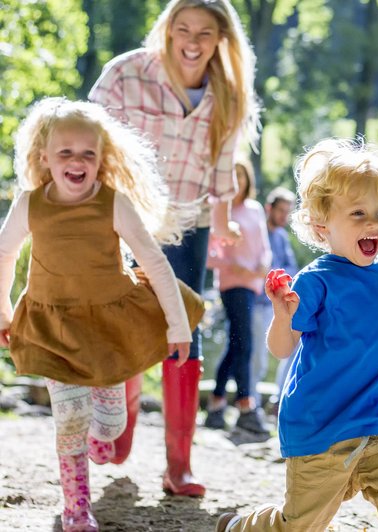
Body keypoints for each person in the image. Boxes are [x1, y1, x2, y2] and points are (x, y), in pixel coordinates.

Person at [216, 138, 378, 532]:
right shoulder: (315, 281)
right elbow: (281, 349)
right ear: (322, 226)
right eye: (358, 213)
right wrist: (283, 316)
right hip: (322, 427)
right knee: (300, 525)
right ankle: (243, 527)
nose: (373, 223)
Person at [88, 0, 260, 497]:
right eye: (182, 28)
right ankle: (119, 429)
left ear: (220, 39)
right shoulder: (126, 74)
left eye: (205, 32)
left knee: (183, 325)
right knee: (126, 322)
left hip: (189, 222)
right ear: (166, 29)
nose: (192, 41)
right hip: (124, 218)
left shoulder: (228, 91)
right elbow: (86, 137)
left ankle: (178, 466)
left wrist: (224, 220)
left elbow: (223, 166)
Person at [0, 98, 193, 532]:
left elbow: (155, 262)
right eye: (65, 152)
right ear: (44, 158)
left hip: (106, 329)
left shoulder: (113, 203)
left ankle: (103, 430)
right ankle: (76, 508)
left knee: (107, 429)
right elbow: (3, 254)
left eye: (87, 153)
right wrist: (3, 312)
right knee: (68, 417)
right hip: (52, 327)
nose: (76, 161)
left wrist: (178, 327)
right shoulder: (30, 203)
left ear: (101, 159)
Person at [205, 159, 271, 433]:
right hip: (232, 285)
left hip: (253, 283)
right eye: (234, 176)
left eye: (242, 176)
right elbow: (208, 256)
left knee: (237, 344)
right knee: (244, 342)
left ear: (248, 180)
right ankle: (246, 405)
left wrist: (264, 267)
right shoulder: (221, 211)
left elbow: (264, 247)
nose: (238, 181)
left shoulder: (255, 209)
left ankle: (217, 403)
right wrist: (230, 266)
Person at [249, 186, 298, 407]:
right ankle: (252, 405)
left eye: (287, 212)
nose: (283, 216)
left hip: (278, 302)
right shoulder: (256, 232)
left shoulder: (281, 237)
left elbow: (291, 268)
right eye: (280, 210)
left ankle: (280, 399)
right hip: (257, 302)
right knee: (257, 358)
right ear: (269, 208)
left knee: (292, 349)